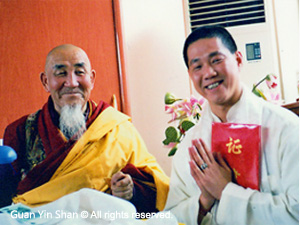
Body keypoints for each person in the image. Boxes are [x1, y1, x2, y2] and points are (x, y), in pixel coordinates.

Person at [0, 44, 169, 214]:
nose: (72, 83)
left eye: (80, 72)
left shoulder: (117, 127)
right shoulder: (20, 131)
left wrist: (131, 190)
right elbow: (6, 199)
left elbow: (156, 185)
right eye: (61, 73)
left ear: (92, 79)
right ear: (45, 81)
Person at [164, 25, 299, 224]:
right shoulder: (190, 146)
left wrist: (225, 191)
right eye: (197, 66)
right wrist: (203, 202)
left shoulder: (286, 128)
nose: (208, 73)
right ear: (190, 75)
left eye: (216, 60)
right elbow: (173, 216)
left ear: (238, 59)